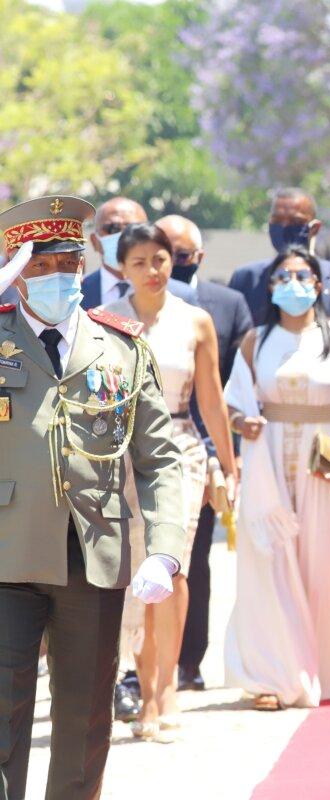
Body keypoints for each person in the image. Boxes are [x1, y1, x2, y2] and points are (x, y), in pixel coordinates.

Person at [0, 196, 186, 798]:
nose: (57, 278)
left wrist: (164, 548)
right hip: (6, 555)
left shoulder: (121, 346)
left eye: (68, 264)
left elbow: (160, 458)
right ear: (15, 270)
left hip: (93, 556)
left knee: (84, 723)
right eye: (40, 266)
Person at [223, 247, 330, 710]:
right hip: (269, 464)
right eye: (283, 276)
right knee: (271, 560)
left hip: (324, 467)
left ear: (319, 285)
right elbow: (234, 402)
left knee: (324, 564)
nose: (293, 284)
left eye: (302, 275)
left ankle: (328, 669)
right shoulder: (255, 341)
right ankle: (276, 676)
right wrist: (244, 424)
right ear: (271, 286)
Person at [103, 223, 239, 742]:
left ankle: (167, 693)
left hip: (180, 452)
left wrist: (227, 465)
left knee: (173, 566)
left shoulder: (196, 320)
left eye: (160, 260)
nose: (153, 271)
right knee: (138, 571)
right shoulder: (106, 322)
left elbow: (212, 399)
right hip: (121, 457)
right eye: (139, 263)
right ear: (122, 268)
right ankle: (142, 694)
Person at [156, 215, 254, 692]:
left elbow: (234, 388)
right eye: (163, 253)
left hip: (203, 452)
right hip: (143, 448)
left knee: (193, 559)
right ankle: (140, 670)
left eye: (182, 254)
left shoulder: (227, 305)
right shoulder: (122, 307)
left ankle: (188, 662)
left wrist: (228, 457)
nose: (172, 263)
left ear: (199, 256)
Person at [227, 188, 330, 432]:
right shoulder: (247, 280)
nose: (284, 227)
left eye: (294, 222)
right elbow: (232, 365)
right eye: (277, 221)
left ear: (314, 228)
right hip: (261, 429)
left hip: (329, 426)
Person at [81, 197, 196, 309]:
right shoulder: (73, 292)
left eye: (134, 229)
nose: (124, 236)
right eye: (113, 228)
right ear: (94, 241)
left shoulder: (183, 295)